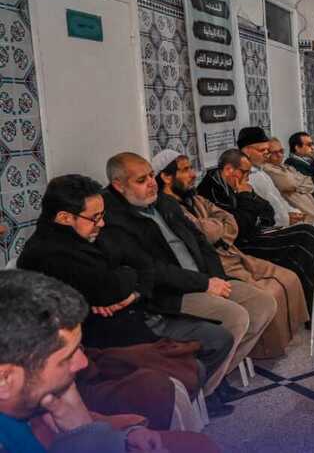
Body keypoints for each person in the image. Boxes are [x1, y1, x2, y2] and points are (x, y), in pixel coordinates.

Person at [17, 175, 212, 427]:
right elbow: (111, 289)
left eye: (102, 215)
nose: (102, 223)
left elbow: (143, 264)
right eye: (95, 217)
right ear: (65, 218)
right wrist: (125, 276)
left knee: (197, 357)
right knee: (188, 367)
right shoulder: (50, 253)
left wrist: (131, 289)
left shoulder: (88, 233)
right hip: (101, 342)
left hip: (130, 318)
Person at [98, 152, 276, 405]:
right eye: (141, 180)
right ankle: (206, 392)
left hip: (203, 279)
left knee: (263, 304)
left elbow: (201, 242)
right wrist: (205, 284)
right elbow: (151, 269)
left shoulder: (164, 202)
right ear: (118, 185)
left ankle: (213, 377)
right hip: (170, 293)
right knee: (235, 317)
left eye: (151, 175)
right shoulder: (113, 219)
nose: (151, 183)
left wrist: (216, 279)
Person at [0, 270, 219, 453]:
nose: (82, 362)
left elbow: (81, 423)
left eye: (79, 349)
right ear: (4, 379)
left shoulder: (33, 397)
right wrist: (87, 435)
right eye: (66, 358)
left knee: (197, 444)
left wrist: (123, 435)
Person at [153, 151, 309, 359]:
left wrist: (218, 231)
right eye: (186, 170)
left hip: (230, 249)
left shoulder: (195, 198)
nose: (193, 174)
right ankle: (265, 348)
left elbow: (231, 221)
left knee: (289, 276)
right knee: (270, 291)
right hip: (218, 260)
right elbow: (206, 232)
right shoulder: (169, 206)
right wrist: (218, 229)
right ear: (166, 176)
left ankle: (286, 334)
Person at [197, 149, 314, 312]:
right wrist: (245, 197)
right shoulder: (211, 192)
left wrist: (251, 207)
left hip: (255, 232)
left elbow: (268, 211)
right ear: (228, 170)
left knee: (306, 230)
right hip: (237, 246)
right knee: (302, 240)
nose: (248, 177)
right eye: (245, 172)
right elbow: (237, 227)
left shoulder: (236, 184)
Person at [238, 127, 306, 228]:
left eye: (267, 150)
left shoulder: (260, 171)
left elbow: (277, 199)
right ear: (246, 151)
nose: (267, 154)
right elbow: (262, 212)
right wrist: (286, 218)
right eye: (262, 150)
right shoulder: (246, 177)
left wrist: (292, 211)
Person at [261, 138, 314, 224]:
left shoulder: (287, 167)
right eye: (274, 152)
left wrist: (296, 185)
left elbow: (310, 184)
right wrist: (299, 183)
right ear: (266, 154)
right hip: (301, 219)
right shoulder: (267, 169)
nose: (280, 155)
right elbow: (289, 184)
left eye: (281, 151)